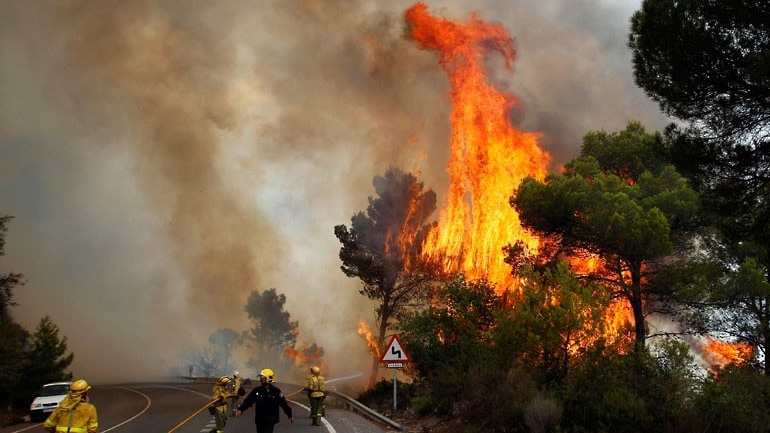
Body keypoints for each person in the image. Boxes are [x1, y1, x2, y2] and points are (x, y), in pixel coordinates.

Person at [235, 368, 293, 433]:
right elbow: (248, 401)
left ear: (268, 378)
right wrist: (241, 409)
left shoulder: (276, 391)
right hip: (259, 420)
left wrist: (289, 415)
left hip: (270, 420)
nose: (260, 379)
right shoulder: (257, 390)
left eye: (262, 377)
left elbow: (284, 404)